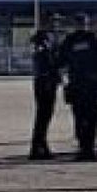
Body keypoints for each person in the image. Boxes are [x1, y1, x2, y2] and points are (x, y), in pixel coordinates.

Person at [61, 21, 97, 161]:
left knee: (81, 118)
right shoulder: (94, 41)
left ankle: (84, 148)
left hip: (78, 85)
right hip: (91, 86)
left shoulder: (70, 41)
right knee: (90, 119)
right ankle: (87, 149)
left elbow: (61, 62)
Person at [27, 23, 65, 161]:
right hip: (45, 81)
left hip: (43, 80)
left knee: (43, 116)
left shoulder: (39, 42)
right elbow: (50, 61)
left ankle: (41, 146)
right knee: (43, 115)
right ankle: (37, 147)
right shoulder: (43, 42)